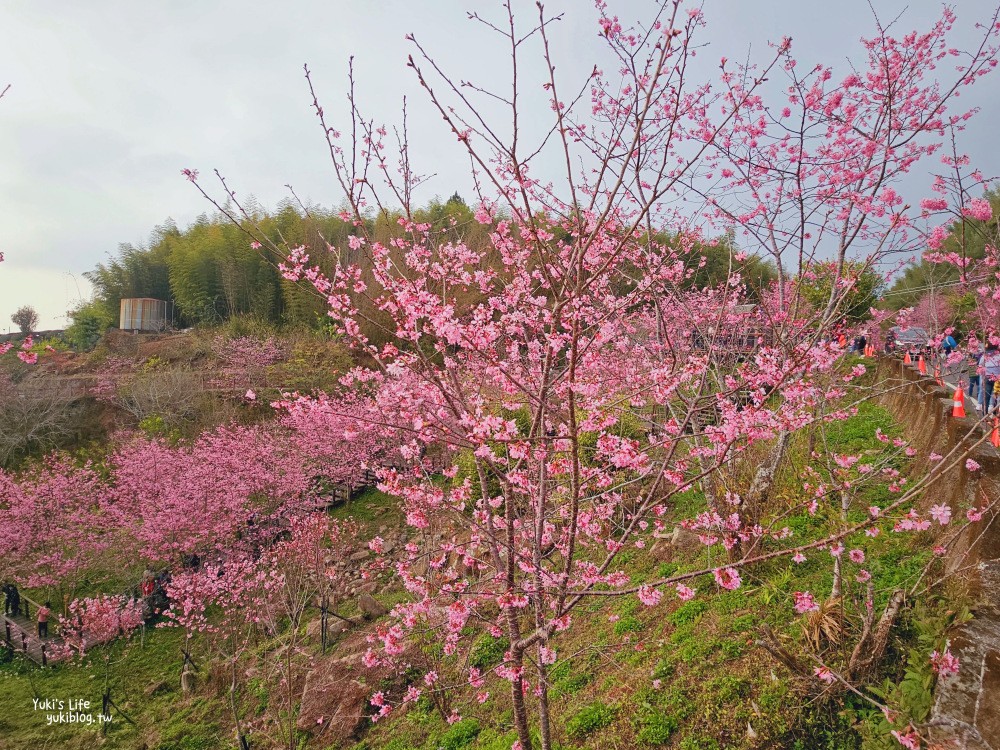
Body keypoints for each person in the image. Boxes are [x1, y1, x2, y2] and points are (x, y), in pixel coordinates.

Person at [979, 341, 1000, 413]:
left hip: (987, 377)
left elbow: (980, 366)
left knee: (986, 396)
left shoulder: (984, 356)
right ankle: (994, 412)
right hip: (997, 378)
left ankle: (984, 413)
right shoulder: (998, 356)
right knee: (996, 395)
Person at [967, 336, 983, 401]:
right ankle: (977, 394)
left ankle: (970, 394)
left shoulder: (970, 359)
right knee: (978, 385)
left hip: (972, 374)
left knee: (972, 385)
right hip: (976, 373)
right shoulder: (977, 358)